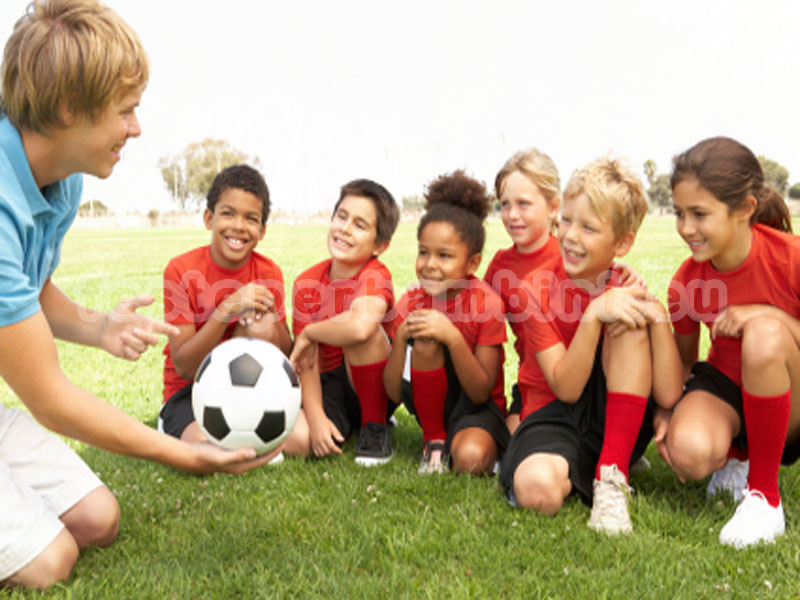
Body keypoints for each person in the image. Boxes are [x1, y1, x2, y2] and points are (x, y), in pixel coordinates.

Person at [0, 0, 270, 590]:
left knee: (98, 519)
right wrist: (181, 453)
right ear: (69, 106)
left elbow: (28, 287)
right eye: (126, 111)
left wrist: (97, 328)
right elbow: (49, 399)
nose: (136, 128)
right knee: (50, 563)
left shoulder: (61, 179)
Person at [499, 156, 682, 534]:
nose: (569, 236)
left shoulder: (624, 289)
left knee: (627, 322)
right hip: (552, 414)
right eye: (566, 220)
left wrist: (655, 313)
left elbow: (667, 394)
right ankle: (581, 467)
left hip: (610, 414)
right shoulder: (534, 288)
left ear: (622, 242)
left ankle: (611, 478)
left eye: (589, 228)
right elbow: (565, 388)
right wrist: (593, 313)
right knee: (537, 492)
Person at [660, 136, 800, 549]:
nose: (686, 228)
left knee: (764, 334)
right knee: (689, 452)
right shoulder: (686, 284)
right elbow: (686, 365)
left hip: (793, 394)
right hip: (729, 387)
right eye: (679, 213)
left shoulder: (791, 259)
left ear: (744, 210)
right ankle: (739, 458)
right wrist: (668, 413)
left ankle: (764, 497)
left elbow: (772, 331)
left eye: (700, 214)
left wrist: (771, 315)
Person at [160, 164, 299, 459]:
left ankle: (251, 430)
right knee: (206, 451)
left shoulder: (268, 271)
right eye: (228, 213)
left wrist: (272, 322)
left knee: (302, 442)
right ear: (209, 218)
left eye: (251, 219)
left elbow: (285, 354)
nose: (238, 226)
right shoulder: (181, 270)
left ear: (261, 231)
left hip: (255, 392)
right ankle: (173, 424)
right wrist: (227, 309)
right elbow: (184, 365)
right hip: (191, 391)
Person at [384, 170, 510, 475]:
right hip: (432, 403)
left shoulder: (487, 303)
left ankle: (481, 445)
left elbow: (481, 393)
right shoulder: (412, 302)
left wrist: (452, 337)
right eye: (424, 252)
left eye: (444, 256)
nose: (430, 264)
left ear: (473, 263)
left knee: (470, 461)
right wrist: (401, 338)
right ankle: (434, 443)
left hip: (477, 408)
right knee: (425, 339)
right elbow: (391, 392)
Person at [289, 179, 399, 466]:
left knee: (363, 336)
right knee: (296, 440)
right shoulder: (306, 283)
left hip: (375, 378)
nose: (345, 228)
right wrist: (316, 419)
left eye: (360, 225)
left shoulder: (375, 274)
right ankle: (347, 422)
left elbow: (361, 326)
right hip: (328, 384)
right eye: (342, 216)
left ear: (380, 245)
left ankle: (375, 426)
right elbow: (306, 359)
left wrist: (312, 331)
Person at [483, 148, 562, 435]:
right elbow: (477, 319)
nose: (512, 215)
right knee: (513, 439)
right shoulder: (500, 266)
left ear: (554, 207)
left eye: (524, 204)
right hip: (532, 386)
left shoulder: (572, 257)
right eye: (505, 204)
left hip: (574, 382)